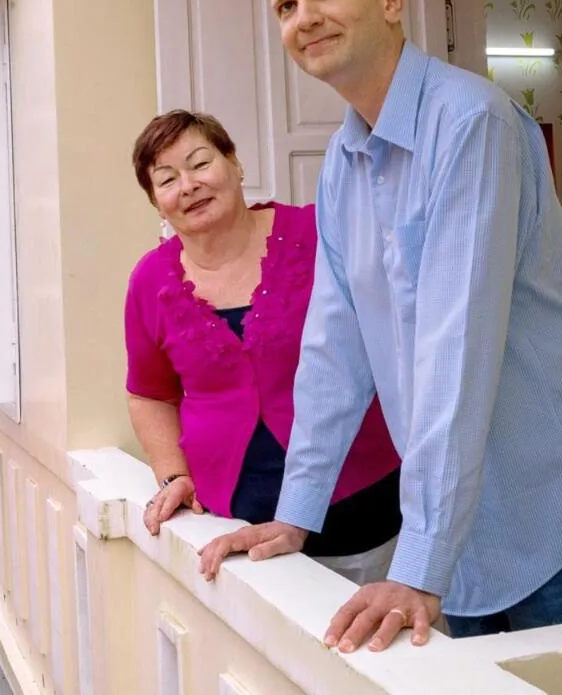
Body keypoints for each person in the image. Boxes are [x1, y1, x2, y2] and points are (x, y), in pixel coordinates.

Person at [198, 0, 562, 651]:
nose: (305, 17)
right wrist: (298, 513)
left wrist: (418, 560)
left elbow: (457, 344)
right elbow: (333, 351)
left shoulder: (471, 121)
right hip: (466, 542)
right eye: (286, 5)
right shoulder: (343, 163)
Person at [125, 109, 403, 583]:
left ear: (235, 164)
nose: (189, 185)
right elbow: (150, 393)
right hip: (233, 529)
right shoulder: (149, 280)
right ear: (156, 202)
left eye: (200, 163)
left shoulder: (319, 233)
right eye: (167, 179)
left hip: (363, 513)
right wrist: (173, 475)